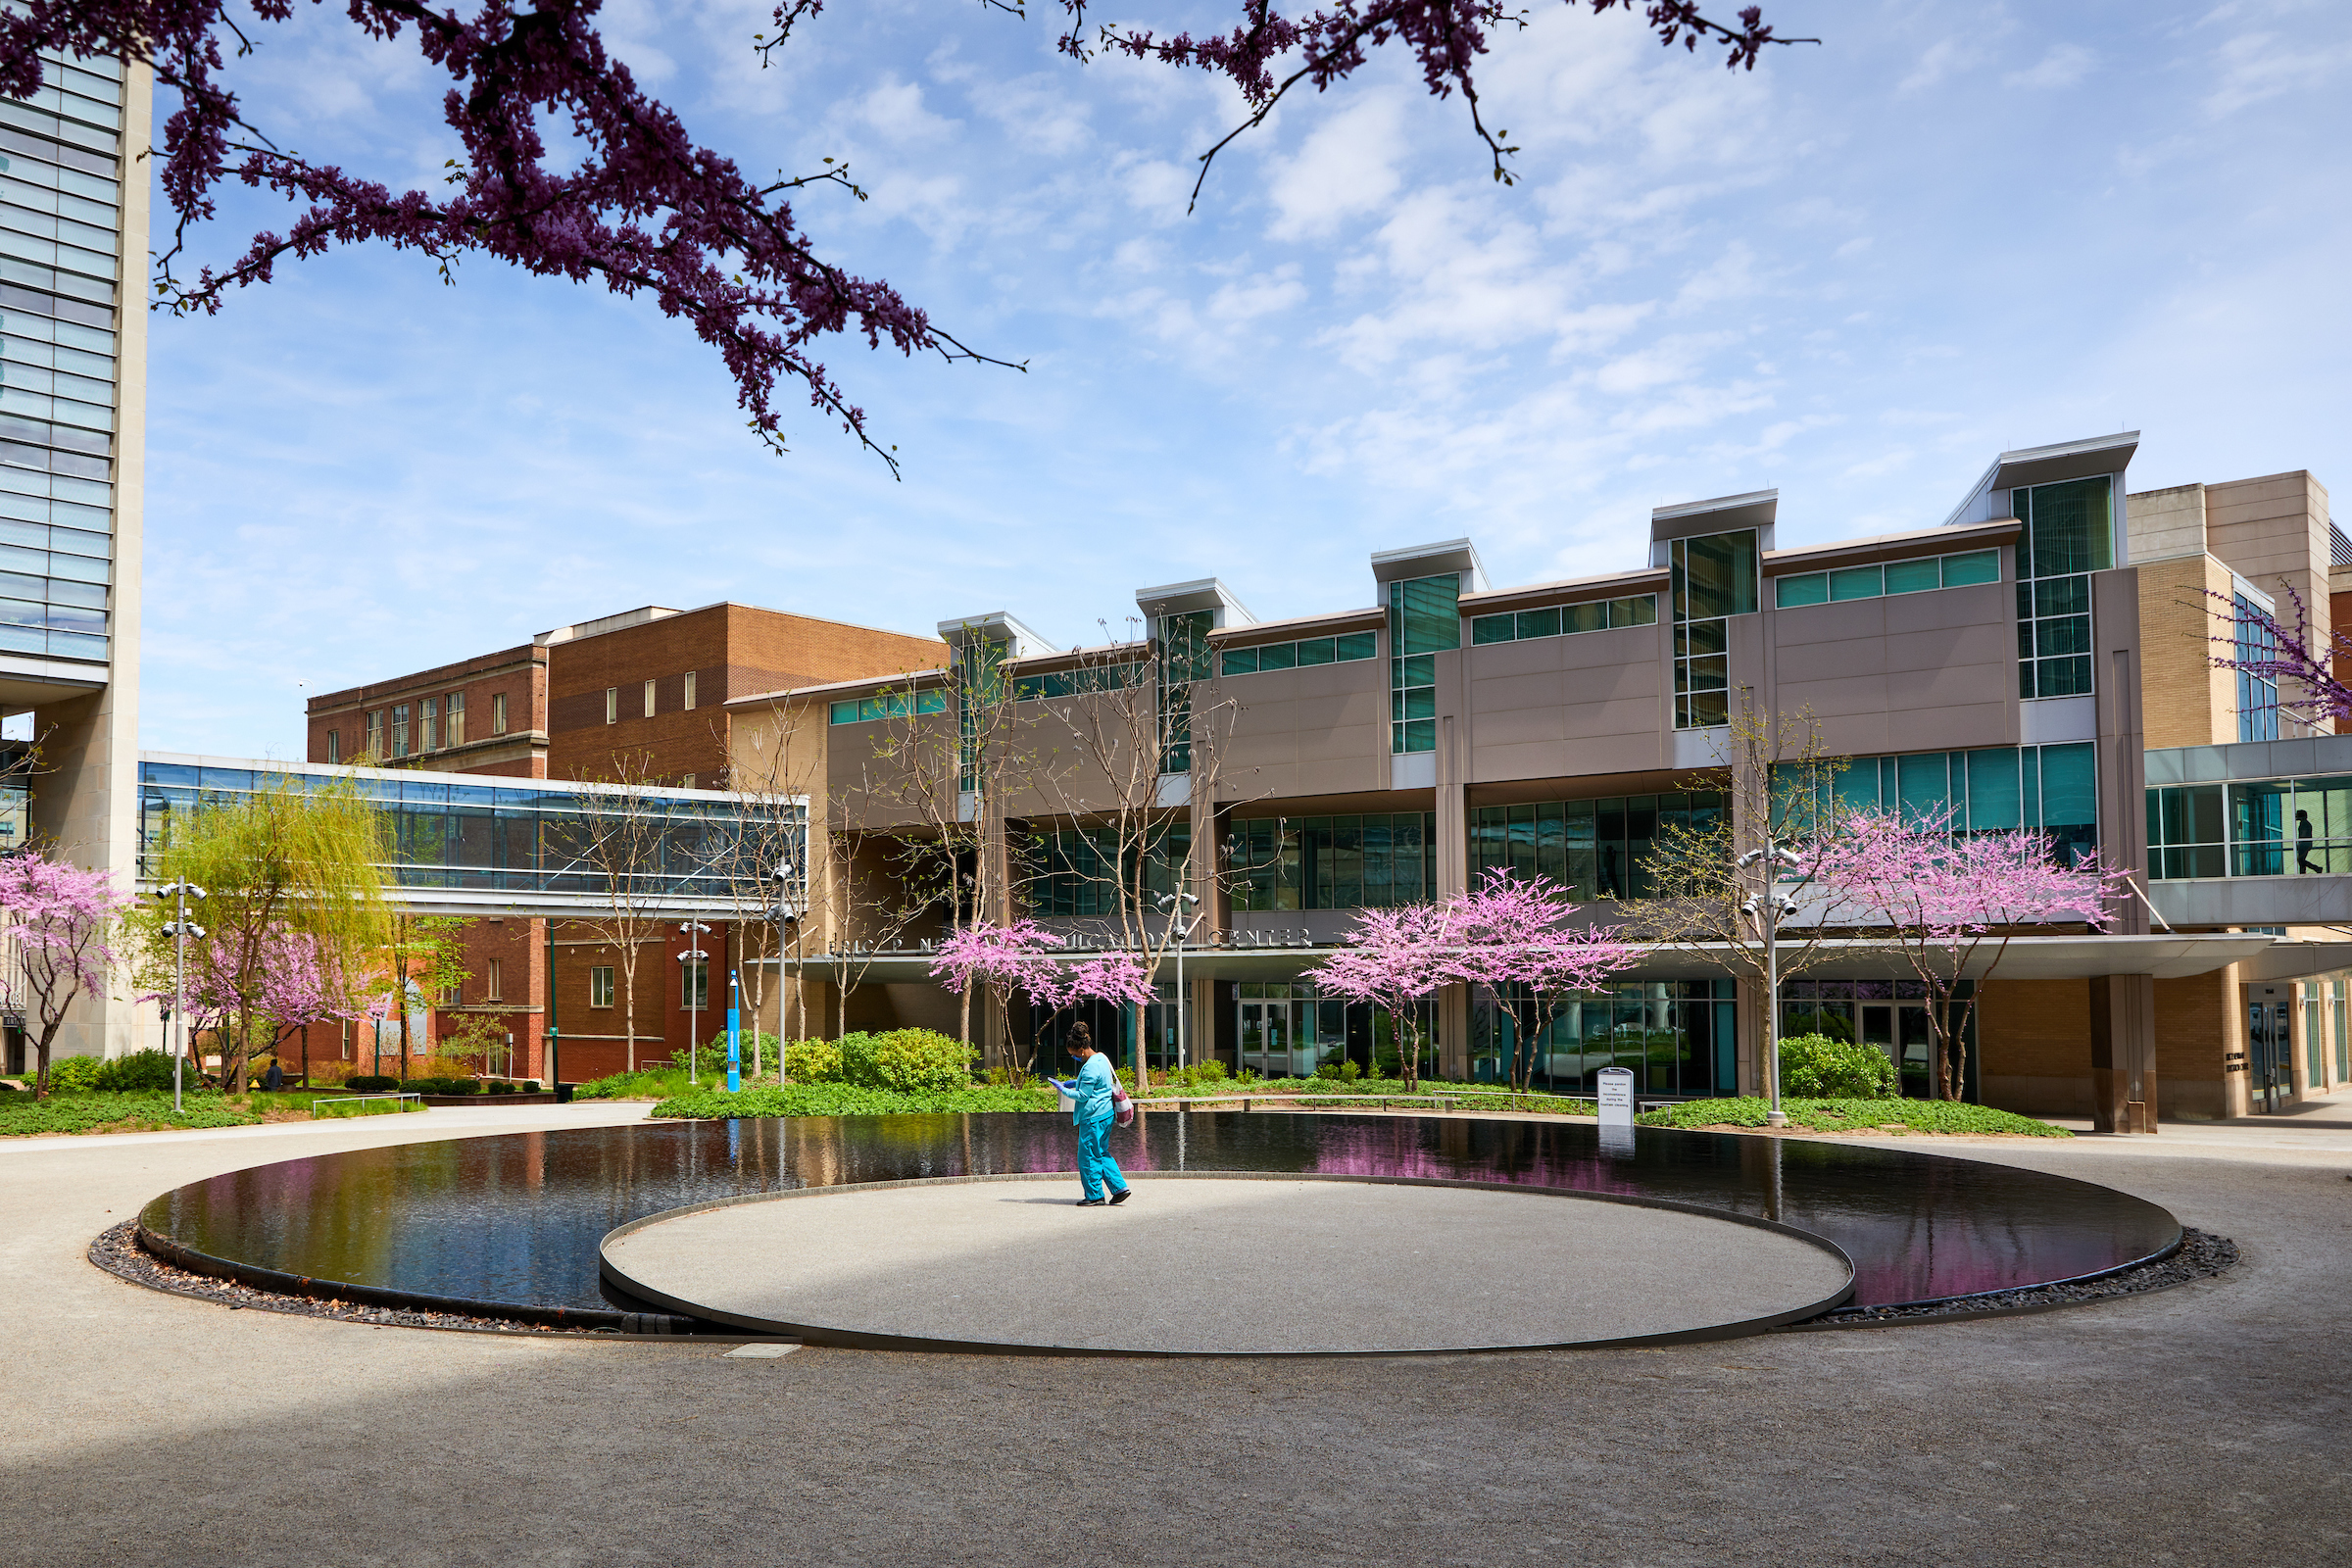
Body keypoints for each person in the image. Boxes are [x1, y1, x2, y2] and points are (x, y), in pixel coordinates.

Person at [1045, 1024, 1131, 1208]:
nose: (1073, 1057)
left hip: (1093, 1117)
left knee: (1088, 1156)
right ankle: (1119, 1188)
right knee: (1101, 1152)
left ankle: (1094, 1195)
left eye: (1073, 1054)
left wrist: (1063, 1090)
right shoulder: (1101, 1058)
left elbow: (1083, 1095)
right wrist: (1077, 1082)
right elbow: (1100, 1083)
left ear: (1081, 1050)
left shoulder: (1090, 1066)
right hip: (1107, 1114)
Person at [2296, 809, 2320, 874]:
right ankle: (2303, 872)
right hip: (2306, 844)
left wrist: (2299, 843)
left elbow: (2303, 834)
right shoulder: (2305, 823)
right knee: (2301, 860)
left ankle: (2316, 868)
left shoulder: (2304, 824)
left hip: (2304, 844)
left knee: (2301, 860)